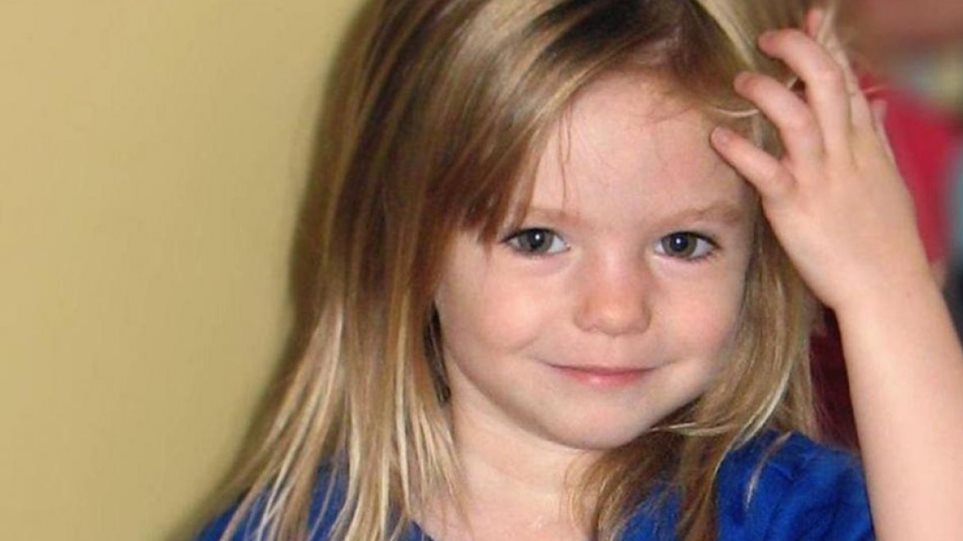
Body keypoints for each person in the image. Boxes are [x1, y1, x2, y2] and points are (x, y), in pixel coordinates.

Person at [197, 0, 963, 539]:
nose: (615, 308)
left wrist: (883, 288)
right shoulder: (287, 528)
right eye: (537, 239)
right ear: (404, 245)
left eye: (681, 244)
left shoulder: (779, 511)